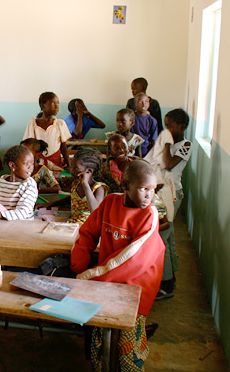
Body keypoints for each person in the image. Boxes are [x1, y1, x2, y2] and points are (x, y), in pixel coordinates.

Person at [70, 160, 165, 371]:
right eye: (144, 189)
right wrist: (78, 265)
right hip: (106, 283)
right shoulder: (111, 202)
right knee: (100, 340)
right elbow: (87, 232)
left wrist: (85, 278)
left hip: (134, 288)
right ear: (125, 186)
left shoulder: (149, 215)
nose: (150, 195)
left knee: (127, 348)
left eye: (153, 189)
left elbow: (131, 259)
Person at [146, 108, 191, 299]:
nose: (167, 129)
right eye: (166, 125)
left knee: (161, 239)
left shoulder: (185, 145)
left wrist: (165, 144)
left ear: (182, 126)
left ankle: (165, 285)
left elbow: (168, 164)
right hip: (160, 192)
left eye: (171, 126)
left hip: (171, 195)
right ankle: (170, 278)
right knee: (169, 236)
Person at [42, 147, 107, 224]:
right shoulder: (76, 184)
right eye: (71, 167)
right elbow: (72, 199)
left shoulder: (98, 188)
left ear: (89, 171)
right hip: (72, 225)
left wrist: (85, 185)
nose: (71, 170)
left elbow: (95, 211)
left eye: (75, 168)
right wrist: (49, 204)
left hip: (88, 228)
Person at [23, 91, 72, 169]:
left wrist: (69, 165)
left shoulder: (60, 124)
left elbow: (64, 147)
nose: (57, 107)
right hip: (37, 164)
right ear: (43, 106)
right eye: (53, 104)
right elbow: (29, 147)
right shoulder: (33, 124)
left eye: (58, 103)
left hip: (55, 163)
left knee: (56, 180)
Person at [130, 92, 158, 157]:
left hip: (146, 153)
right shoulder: (130, 118)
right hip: (131, 152)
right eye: (140, 102)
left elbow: (154, 141)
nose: (143, 104)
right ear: (134, 105)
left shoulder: (152, 121)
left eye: (146, 102)